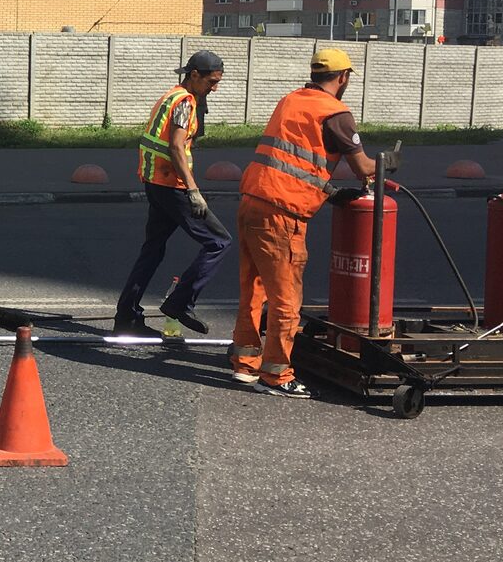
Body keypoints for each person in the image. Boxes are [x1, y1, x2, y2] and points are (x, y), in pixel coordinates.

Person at [230, 46, 380, 398]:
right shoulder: (337, 113)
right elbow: (364, 168)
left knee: (253, 288)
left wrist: (328, 191)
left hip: (253, 200)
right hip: (283, 214)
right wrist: (391, 162)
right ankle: (277, 375)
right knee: (286, 298)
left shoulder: (291, 100)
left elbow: (291, 162)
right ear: (343, 78)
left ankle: (245, 364)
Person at [115, 50, 232, 336]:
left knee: (152, 250)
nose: (214, 88)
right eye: (211, 82)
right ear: (194, 75)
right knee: (219, 242)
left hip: (156, 182)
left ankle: (126, 317)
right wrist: (193, 190)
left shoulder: (173, 95)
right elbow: (176, 147)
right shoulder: (184, 103)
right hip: (173, 186)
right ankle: (179, 303)